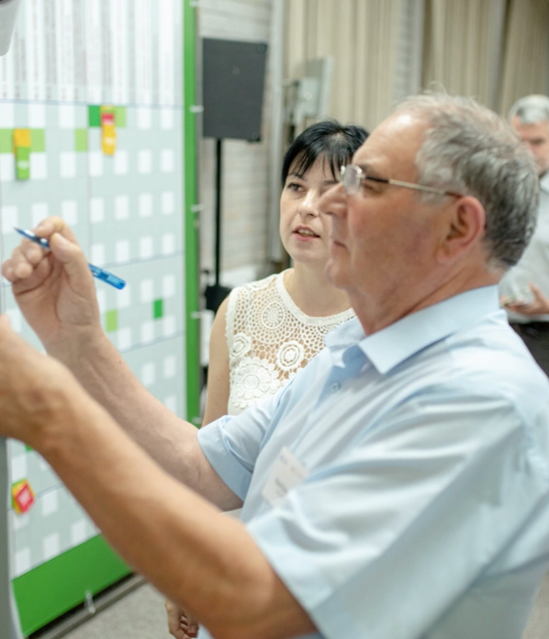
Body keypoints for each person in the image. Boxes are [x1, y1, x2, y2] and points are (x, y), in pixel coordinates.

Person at [1, 92, 549, 639]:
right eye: (303, 186)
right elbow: (197, 465)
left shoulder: (480, 401)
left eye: (365, 183)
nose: (327, 206)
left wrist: (49, 414)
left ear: (457, 227)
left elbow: (261, 601)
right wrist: (77, 342)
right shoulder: (357, 349)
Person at [204, 120, 367, 424]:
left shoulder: (381, 322)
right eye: (296, 187)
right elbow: (211, 442)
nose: (306, 206)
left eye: (331, 192)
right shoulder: (239, 309)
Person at [500, 94, 549, 375]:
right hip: (497, 328)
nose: (528, 151)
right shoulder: (496, 188)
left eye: (537, 142)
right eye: (521, 141)